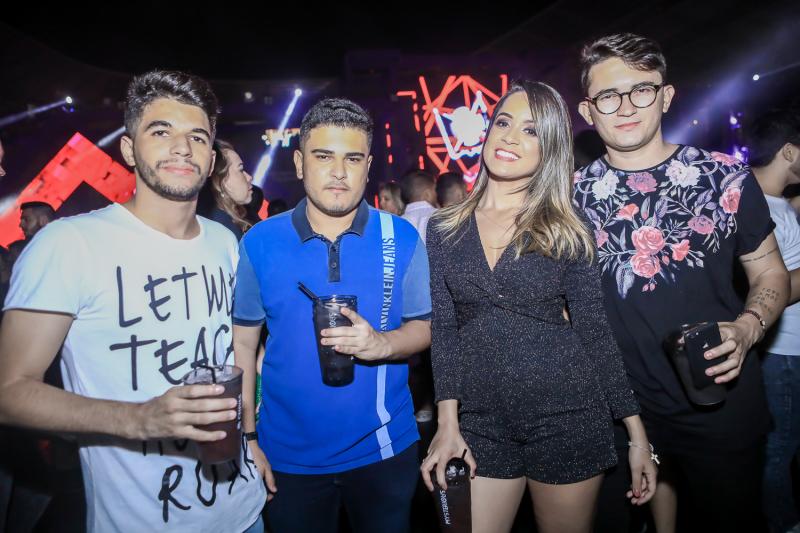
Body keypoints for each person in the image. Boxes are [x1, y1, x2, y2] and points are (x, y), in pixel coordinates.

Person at [0, 70, 266, 532]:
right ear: (128, 149)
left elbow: (232, 351)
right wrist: (139, 420)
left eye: (197, 137)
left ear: (210, 159)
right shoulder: (69, 244)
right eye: (161, 131)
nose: (182, 148)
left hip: (245, 511)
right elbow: (9, 391)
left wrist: (252, 439)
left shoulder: (225, 242)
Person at [573, 33, 790, 533]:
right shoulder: (568, 198)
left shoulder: (726, 179)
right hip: (617, 412)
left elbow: (770, 272)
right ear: (588, 111)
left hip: (719, 405)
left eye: (641, 89)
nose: (626, 106)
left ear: (666, 96)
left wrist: (748, 328)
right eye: (608, 96)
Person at [421, 80, 657, 533]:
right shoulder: (444, 227)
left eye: (531, 131)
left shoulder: (566, 227)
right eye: (503, 123)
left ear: (549, 149)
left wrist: (636, 433)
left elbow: (593, 330)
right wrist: (447, 422)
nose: (510, 137)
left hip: (568, 415)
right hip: (480, 420)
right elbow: (444, 328)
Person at [232, 97, 432, 533]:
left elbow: (424, 327)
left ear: (368, 166)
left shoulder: (400, 236)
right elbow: (243, 345)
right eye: (323, 157)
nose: (339, 172)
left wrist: (382, 344)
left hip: (384, 449)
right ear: (300, 163)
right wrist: (247, 439)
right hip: (286, 458)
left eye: (352, 159)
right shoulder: (259, 242)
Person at [747, 109, 800, 533]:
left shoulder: (778, 204)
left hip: (790, 352)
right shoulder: (759, 209)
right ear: (789, 152)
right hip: (781, 355)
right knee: (778, 452)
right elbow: (768, 286)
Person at [197, 140, 254, 240]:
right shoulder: (223, 230)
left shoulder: (222, 223)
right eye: (240, 170)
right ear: (219, 182)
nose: (249, 177)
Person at [400, 170, 438, 243]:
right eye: (435, 190)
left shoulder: (397, 223)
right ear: (427, 194)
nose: (436, 194)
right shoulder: (441, 218)